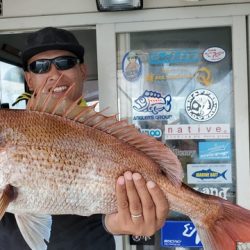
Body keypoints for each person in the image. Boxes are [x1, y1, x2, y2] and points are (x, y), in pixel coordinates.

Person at [0, 27, 169, 250]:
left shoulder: (108, 136)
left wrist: (118, 222)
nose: (54, 73)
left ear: (83, 70)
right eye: (40, 66)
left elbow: (105, 213)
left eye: (65, 62)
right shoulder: (11, 126)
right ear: (29, 80)